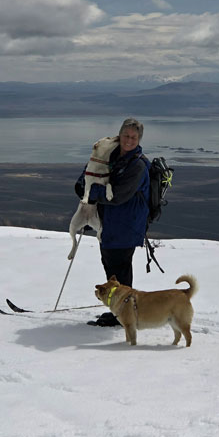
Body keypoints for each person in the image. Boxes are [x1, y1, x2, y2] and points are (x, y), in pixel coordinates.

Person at [75, 118, 149, 327]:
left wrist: (90, 193)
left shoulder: (138, 165)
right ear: (119, 135)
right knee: (112, 268)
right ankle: (120, 311)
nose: (128, 140)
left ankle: (123, 314)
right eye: (125, 136)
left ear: (139, 139)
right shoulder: (112, 156)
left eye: (133, 137)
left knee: (119, 269)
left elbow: (117, 195)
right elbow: (91, 171)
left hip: (126, 227)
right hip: (110, 225)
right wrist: (82, 186)